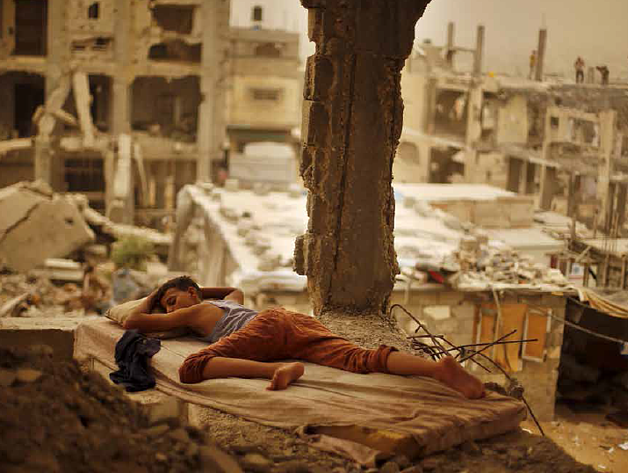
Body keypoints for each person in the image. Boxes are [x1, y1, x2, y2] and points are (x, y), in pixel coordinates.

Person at [123, 276, 486, 399]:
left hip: (262, 332)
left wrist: (156, 294)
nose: (170, 311)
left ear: (191, 292)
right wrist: (191, 289)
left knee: (193, 366)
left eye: (173, 301)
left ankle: (275, 371)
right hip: (288, 320)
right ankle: (437, 370)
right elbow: (234, 287)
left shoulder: (194, 310)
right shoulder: (229, 301)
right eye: (166, 306)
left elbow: (133, 322)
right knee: (357, 357)